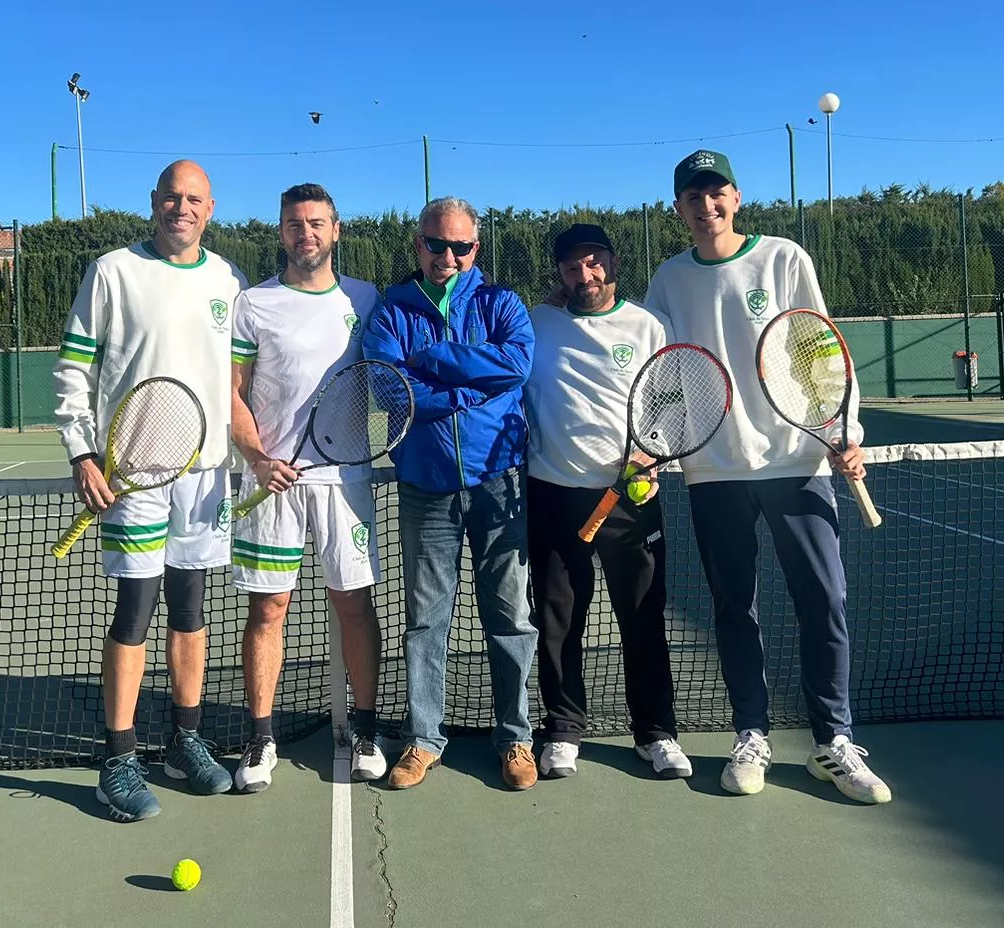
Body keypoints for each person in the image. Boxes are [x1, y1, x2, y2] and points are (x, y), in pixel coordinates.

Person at [645, 149, 891, 805]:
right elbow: (663, 372)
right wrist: (657, 445)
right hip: (713, 469)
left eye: (716, 193)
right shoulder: (669, 279)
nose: (707, 206)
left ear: (736, 197)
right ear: (679, 209)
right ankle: (750, 734)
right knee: (734, 608)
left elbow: (819, 349)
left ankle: (834, 742)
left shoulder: (784, 259)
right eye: (693, 197)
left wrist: (845, 432)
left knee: (825, 601)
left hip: (796, 460)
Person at [54, 159, 246, 822]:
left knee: (191, 610)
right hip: (131, 476)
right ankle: (117, 760)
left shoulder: (228, 280)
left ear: (210, 209)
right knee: (134, 612)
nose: (181, 208)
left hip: (204, 475)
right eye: (171, 196)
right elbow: (73, 368)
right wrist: (82, 452)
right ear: (154, 201)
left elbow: (239, 379)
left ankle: (185, 742)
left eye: (194, 198)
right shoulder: (112, 271)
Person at [361, 195, 540, 791]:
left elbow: (516, 366)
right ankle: (424, 739)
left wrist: (436, 359)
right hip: (426, 487)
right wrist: (473, 388)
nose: (448, 256)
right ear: (419, 244)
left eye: (460, 246)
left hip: (499, 482)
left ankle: (515, 738)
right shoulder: (392, 310)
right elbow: (392, 390)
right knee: (426, 620)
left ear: (474, 248)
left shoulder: (502, 302)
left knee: (510, 617)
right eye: (436, 244)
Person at [228, 182, 387, 792]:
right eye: (295, 224)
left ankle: (366, 730)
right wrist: (257, 458)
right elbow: (232, 392)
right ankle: (260, 738)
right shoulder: (253, 304)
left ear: (336, 230)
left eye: (317, 223)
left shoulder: (366, 299)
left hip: (345, 482)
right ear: (282, 232)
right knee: (268, 609)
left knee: (355, 605)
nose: (306, 234)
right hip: (274, 485)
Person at [524, 223, 691, 781]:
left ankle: (656, 733)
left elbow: (672, 403)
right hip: (553, 494)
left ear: (614, 263)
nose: (585, 274)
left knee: (642, 617)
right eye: (572, 266)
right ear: (559, 274)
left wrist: (652, 451)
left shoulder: (648, 326)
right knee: (558, 621)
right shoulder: (537, 322)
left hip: (630, 499)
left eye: (594, 262)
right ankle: (563, 729)